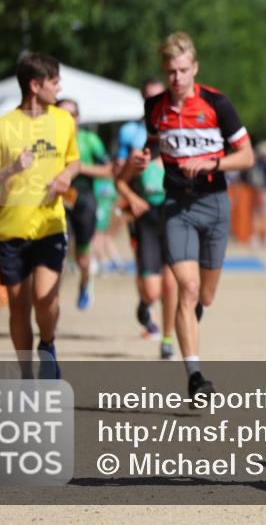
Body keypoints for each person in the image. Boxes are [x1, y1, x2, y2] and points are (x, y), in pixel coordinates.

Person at [134, 32, 254, 398]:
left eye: (183, 70)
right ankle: (195, 376)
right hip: (176, 206)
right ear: (164, 71)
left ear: (195, 68)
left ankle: (192, 315)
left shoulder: (217, 103)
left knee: (205, 295)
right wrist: (144, 157)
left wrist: (211, 163)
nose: (177, 78)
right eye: (171, 71)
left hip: (214, 203)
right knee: (186, 287)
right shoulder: (155, 107)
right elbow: (153, 142)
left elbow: (247, 156)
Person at [0, 53, 80, 379]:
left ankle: (47, 344)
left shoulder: (63, 121)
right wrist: (11, 169)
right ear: (35, 86)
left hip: (51, 225)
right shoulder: (1, 127)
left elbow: (74, 160)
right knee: (18, 307)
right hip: (11, 230)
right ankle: (27, 376)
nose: (59, 88)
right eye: (54, 82)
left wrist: (67, 176)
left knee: (45, 300)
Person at [116, 79, 179, 359]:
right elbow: (120, 179)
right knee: (153, 290)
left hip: (173, 217)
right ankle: (145, 303)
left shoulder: (178, 148)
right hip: (146, 219)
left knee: (171, 284)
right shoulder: (136, 144)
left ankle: (167, 339)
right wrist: (133, 198)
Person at [56, 98, 112, 310]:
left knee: (82, 257)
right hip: (58, 202)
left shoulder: (90, 140)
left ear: (78, 117)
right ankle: (51, 301)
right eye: (62, 114)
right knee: (58, 253)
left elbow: (109, 171)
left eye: (71, 114)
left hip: (84, 200)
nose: (67, 119)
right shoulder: (49, 141)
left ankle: (85, 283)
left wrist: (80, 168)